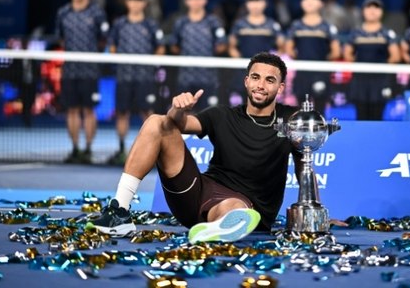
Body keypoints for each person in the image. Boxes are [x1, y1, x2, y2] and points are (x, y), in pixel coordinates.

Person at [86, 52, 300, 243]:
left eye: (269, 80)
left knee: (235, 209)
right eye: (255, 77)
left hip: (244, 205)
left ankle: (214, 229)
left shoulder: (292, 119)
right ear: (246, 81)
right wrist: (178, 109)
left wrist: (312, 211)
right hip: (196, 193)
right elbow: (180, 124)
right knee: (156, 121)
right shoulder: (222, 115)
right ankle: (119, 210)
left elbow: (304, 164)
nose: (261, 85)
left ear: (281, 87)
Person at [107, 0, 166, 165]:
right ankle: (121, 149)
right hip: (124, 76)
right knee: (122, 114)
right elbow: (112, 47)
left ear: (144, 3)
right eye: (132, 0)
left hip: (144, 77)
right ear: (127, 3)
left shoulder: (151, 25)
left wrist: (150, 65)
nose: (135, 4)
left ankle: (153, 151)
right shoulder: (119, 24)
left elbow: (161, 48)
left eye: (139, 0)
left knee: (148, 115)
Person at [54, 0, 109, 163]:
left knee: (88, 110)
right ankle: (75, 148)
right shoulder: (63, 13)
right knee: (71, 110)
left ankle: (88, 149)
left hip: (90, 71)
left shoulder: (97, 13)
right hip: (70, 71)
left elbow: (103, 40)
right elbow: (60, 38)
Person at [168, 0, 227, 111]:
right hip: (185, 76)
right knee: (182, 111)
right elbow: (174, 46)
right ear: (186, 1)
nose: (196, 1)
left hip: (208, 76)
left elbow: (222, 45)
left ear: (205, 0)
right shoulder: (180, 22)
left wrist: (207, 54)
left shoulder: (213, 21)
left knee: (209, 112)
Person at [343, 0, 401, 120]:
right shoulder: (356, 33)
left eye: (376, 7)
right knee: (361, 115)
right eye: (369, 7)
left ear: (381, 12)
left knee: (378, 116)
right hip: (360, 81)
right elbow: (347, 54)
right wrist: (359, 65)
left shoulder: (387, 33)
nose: (372, 10)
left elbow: (395, 56)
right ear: (363, 11)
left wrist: (381, 67)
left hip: (380, 81)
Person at [285, 0, 341, 112]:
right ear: (301, 3)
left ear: (321, 3)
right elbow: (288, 49)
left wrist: (321, 61)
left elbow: (336, 51)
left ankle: (319, 131)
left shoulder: (327, 27)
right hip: (302, 74)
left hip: (321, 73)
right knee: (301, 110)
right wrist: (302, 59)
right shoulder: (295, 26)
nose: (309, 1)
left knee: (320, 110)